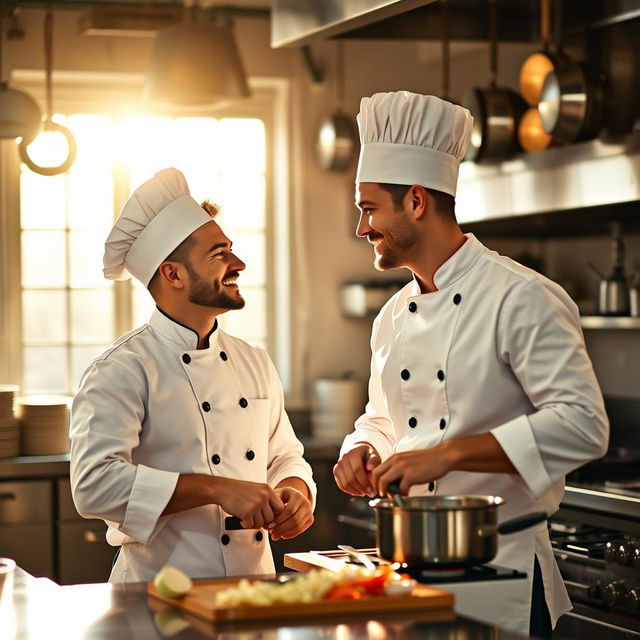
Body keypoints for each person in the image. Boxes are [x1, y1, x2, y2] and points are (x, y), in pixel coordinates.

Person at [332, 91, 608, 637]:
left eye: (369, 209)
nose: (361, 228)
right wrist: (363, 449)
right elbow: (384, 417)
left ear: (416, 201)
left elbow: (584, 425)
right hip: (411, 572)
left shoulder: (522, 297)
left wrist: (447, 455)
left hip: (503, 570)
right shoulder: (391, 316)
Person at [70, 168, 315, 583]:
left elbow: (284, 455)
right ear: (173, 274)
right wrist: (218, 489)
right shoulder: (122, 369)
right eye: (219, 254)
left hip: (253, 588)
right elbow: (93, 485)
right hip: (157, 595)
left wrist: (296, 491)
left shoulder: (254, 361)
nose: (239, 263)